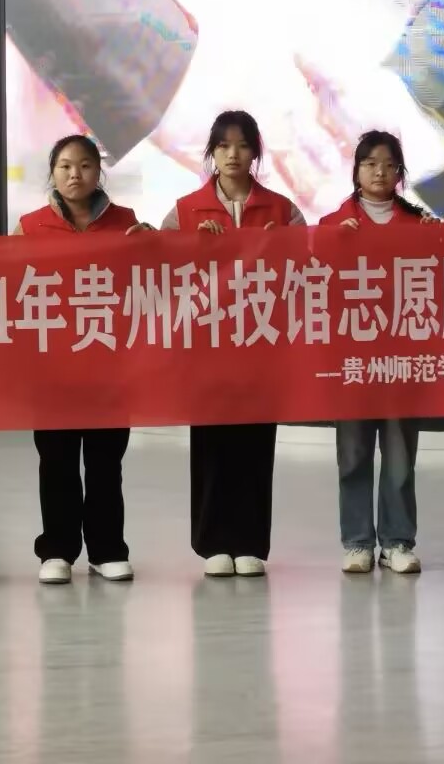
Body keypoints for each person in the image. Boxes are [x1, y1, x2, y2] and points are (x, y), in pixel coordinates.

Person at [161, 110, 305, 577]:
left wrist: (284, 248)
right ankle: (212, 543)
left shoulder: (283, 211)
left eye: (242, 145)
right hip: (207, 350)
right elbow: (160, 270)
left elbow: (308, 270)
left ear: (255, 152)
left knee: (255, 446)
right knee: (212, 445)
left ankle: (250, 543)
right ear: (212, 153)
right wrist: (190, 248)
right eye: (223, 146)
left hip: (262, 347)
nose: (233, 154)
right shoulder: (185, 211)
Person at [12, 135, 152, 585]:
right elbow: (7, 288)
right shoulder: (29, 227)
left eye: (86, 165)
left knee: (106, 462)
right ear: (53, 173)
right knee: (56, 462)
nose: (76, 174)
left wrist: (154, 245)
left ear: (99, 172)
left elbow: (150, 283)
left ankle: (107, 549)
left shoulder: (126, 223)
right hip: (51, 367)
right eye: (66, 166)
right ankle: (57, 550)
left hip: (110, 365)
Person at [321, 131, 437, 575]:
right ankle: (356, 542)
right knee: (352, 453)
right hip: (351, 359)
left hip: (401, 358)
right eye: (370, 163)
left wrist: (439, 241)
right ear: (356, 170)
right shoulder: (333, 224)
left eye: (389, 165)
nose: (380, 172)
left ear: (400, 173)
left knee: (400, 455)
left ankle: (397, 541)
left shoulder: (419, 224)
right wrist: (332, 244)